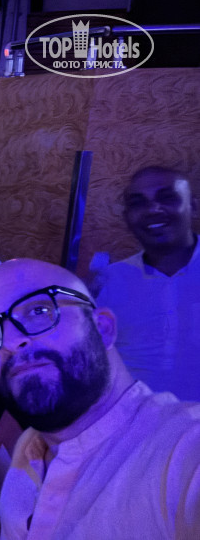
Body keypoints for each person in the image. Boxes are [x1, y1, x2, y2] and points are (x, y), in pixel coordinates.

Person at [0, 258, 200, 539]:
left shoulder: (181, 453)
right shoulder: (30, 444)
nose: (10, 342)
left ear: (103, 329)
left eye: (38, 310)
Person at [93, 166, 200, 401]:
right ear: (127, 217)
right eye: (138, 203)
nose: (153, 209)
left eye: (167, 197)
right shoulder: (108, 281)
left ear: (193, 206)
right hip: (132, 418)